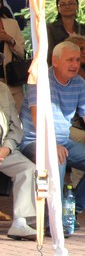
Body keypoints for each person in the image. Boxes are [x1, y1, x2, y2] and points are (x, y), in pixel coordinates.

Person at [19, 41, 85, 221]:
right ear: (55, 61)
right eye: (70, 60)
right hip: (35, 140)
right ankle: (52, 220)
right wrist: (51, 144)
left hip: (63, 141)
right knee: (57, 159)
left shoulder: (78, 82)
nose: (75, 64)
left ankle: (71, 211)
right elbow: (37, 116)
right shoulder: (40, 79)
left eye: (77, 60)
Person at [0, 80, 37, 240]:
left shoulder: (3, 89)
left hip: (3, 150)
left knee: (28, 169)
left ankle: (20, 223)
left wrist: (6, 148)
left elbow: (16, 127)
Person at [46, 0, 85, 71]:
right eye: (63, 4)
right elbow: (49, 54)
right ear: (58, 8)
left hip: (82, 70)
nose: (67, 7)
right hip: (58, 70)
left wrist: (79, 61)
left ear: (77, 6)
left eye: (71, 3)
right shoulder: (50, 28)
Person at [1, 0, 27, 105]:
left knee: (17, 114)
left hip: (12, 81)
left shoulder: (12, 24)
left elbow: (22, 53)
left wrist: (9, 39)